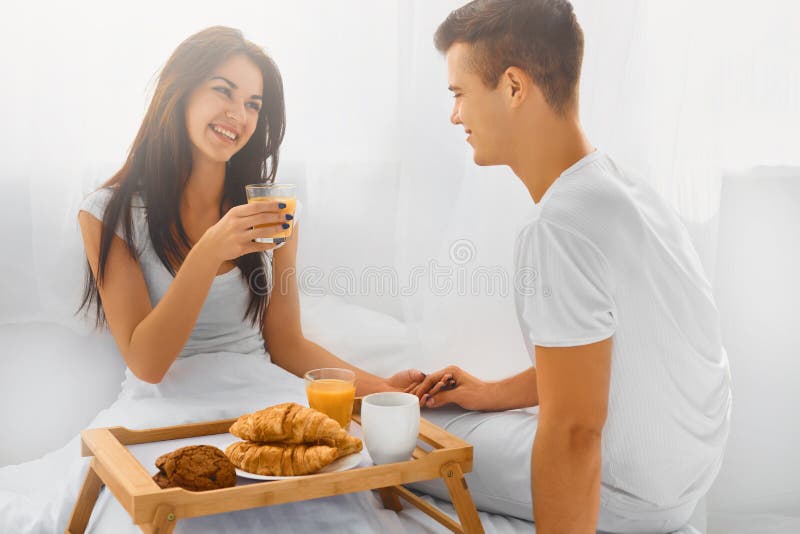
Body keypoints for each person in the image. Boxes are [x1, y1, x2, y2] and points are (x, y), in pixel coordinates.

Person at [413, 1, 732, 533]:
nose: (455, 116)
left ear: (513, 88)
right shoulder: (621, 189)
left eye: (459, 94)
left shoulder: (559, 230)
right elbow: (604, 356)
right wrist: (490, 393)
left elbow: (574, 431)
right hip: (689, 476)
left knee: (398, 441)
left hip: (630, 495)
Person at [77, 26, 423, 394]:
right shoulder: (107, 213)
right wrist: (210, 251)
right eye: (223, 91)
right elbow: (147, 364)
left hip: (262, 396)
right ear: (180, 93)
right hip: (162, 408)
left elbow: (287, 345)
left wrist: (385, 390)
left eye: (253, 104)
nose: (238, 115)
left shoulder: (273, 212)